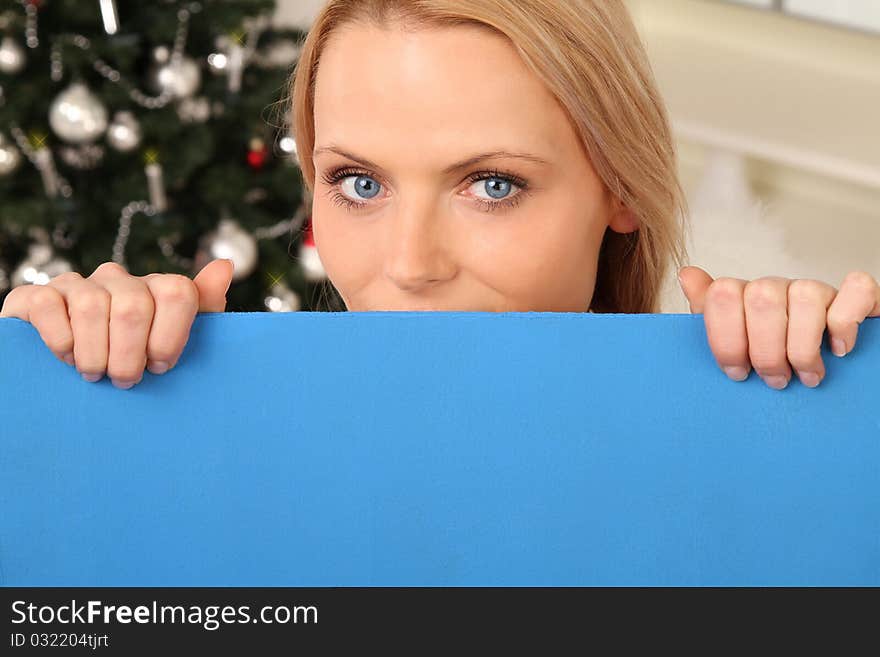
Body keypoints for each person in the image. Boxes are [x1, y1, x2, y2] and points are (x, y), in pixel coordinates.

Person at [1, 0, 877, 391]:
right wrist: (74, 397)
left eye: (491, 185)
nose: (410, 267)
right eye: (358, 182)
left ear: (620, 187)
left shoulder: (747, 415)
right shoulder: (231, 447)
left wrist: (821, 407)